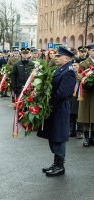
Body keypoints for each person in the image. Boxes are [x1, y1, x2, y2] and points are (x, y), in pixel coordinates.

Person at [37, 46, 76, 177]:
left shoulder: (69, 71)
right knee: (53, 136)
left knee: (58, 137)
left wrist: (50, 103)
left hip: (59, 108)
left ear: (66, 58)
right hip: (54, 107)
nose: (56, 57)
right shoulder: (60, 69)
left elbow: (63, 93)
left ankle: (60, 166)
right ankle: (56, 163)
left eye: (58, 56)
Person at [77, 44, 94, 147]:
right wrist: (88, 82)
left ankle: (93, 137)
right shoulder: (83, 64)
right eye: (92, 50)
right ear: (89, 51)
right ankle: (86, 137)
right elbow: (79, 77)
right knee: (86, 117)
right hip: (87, 93)